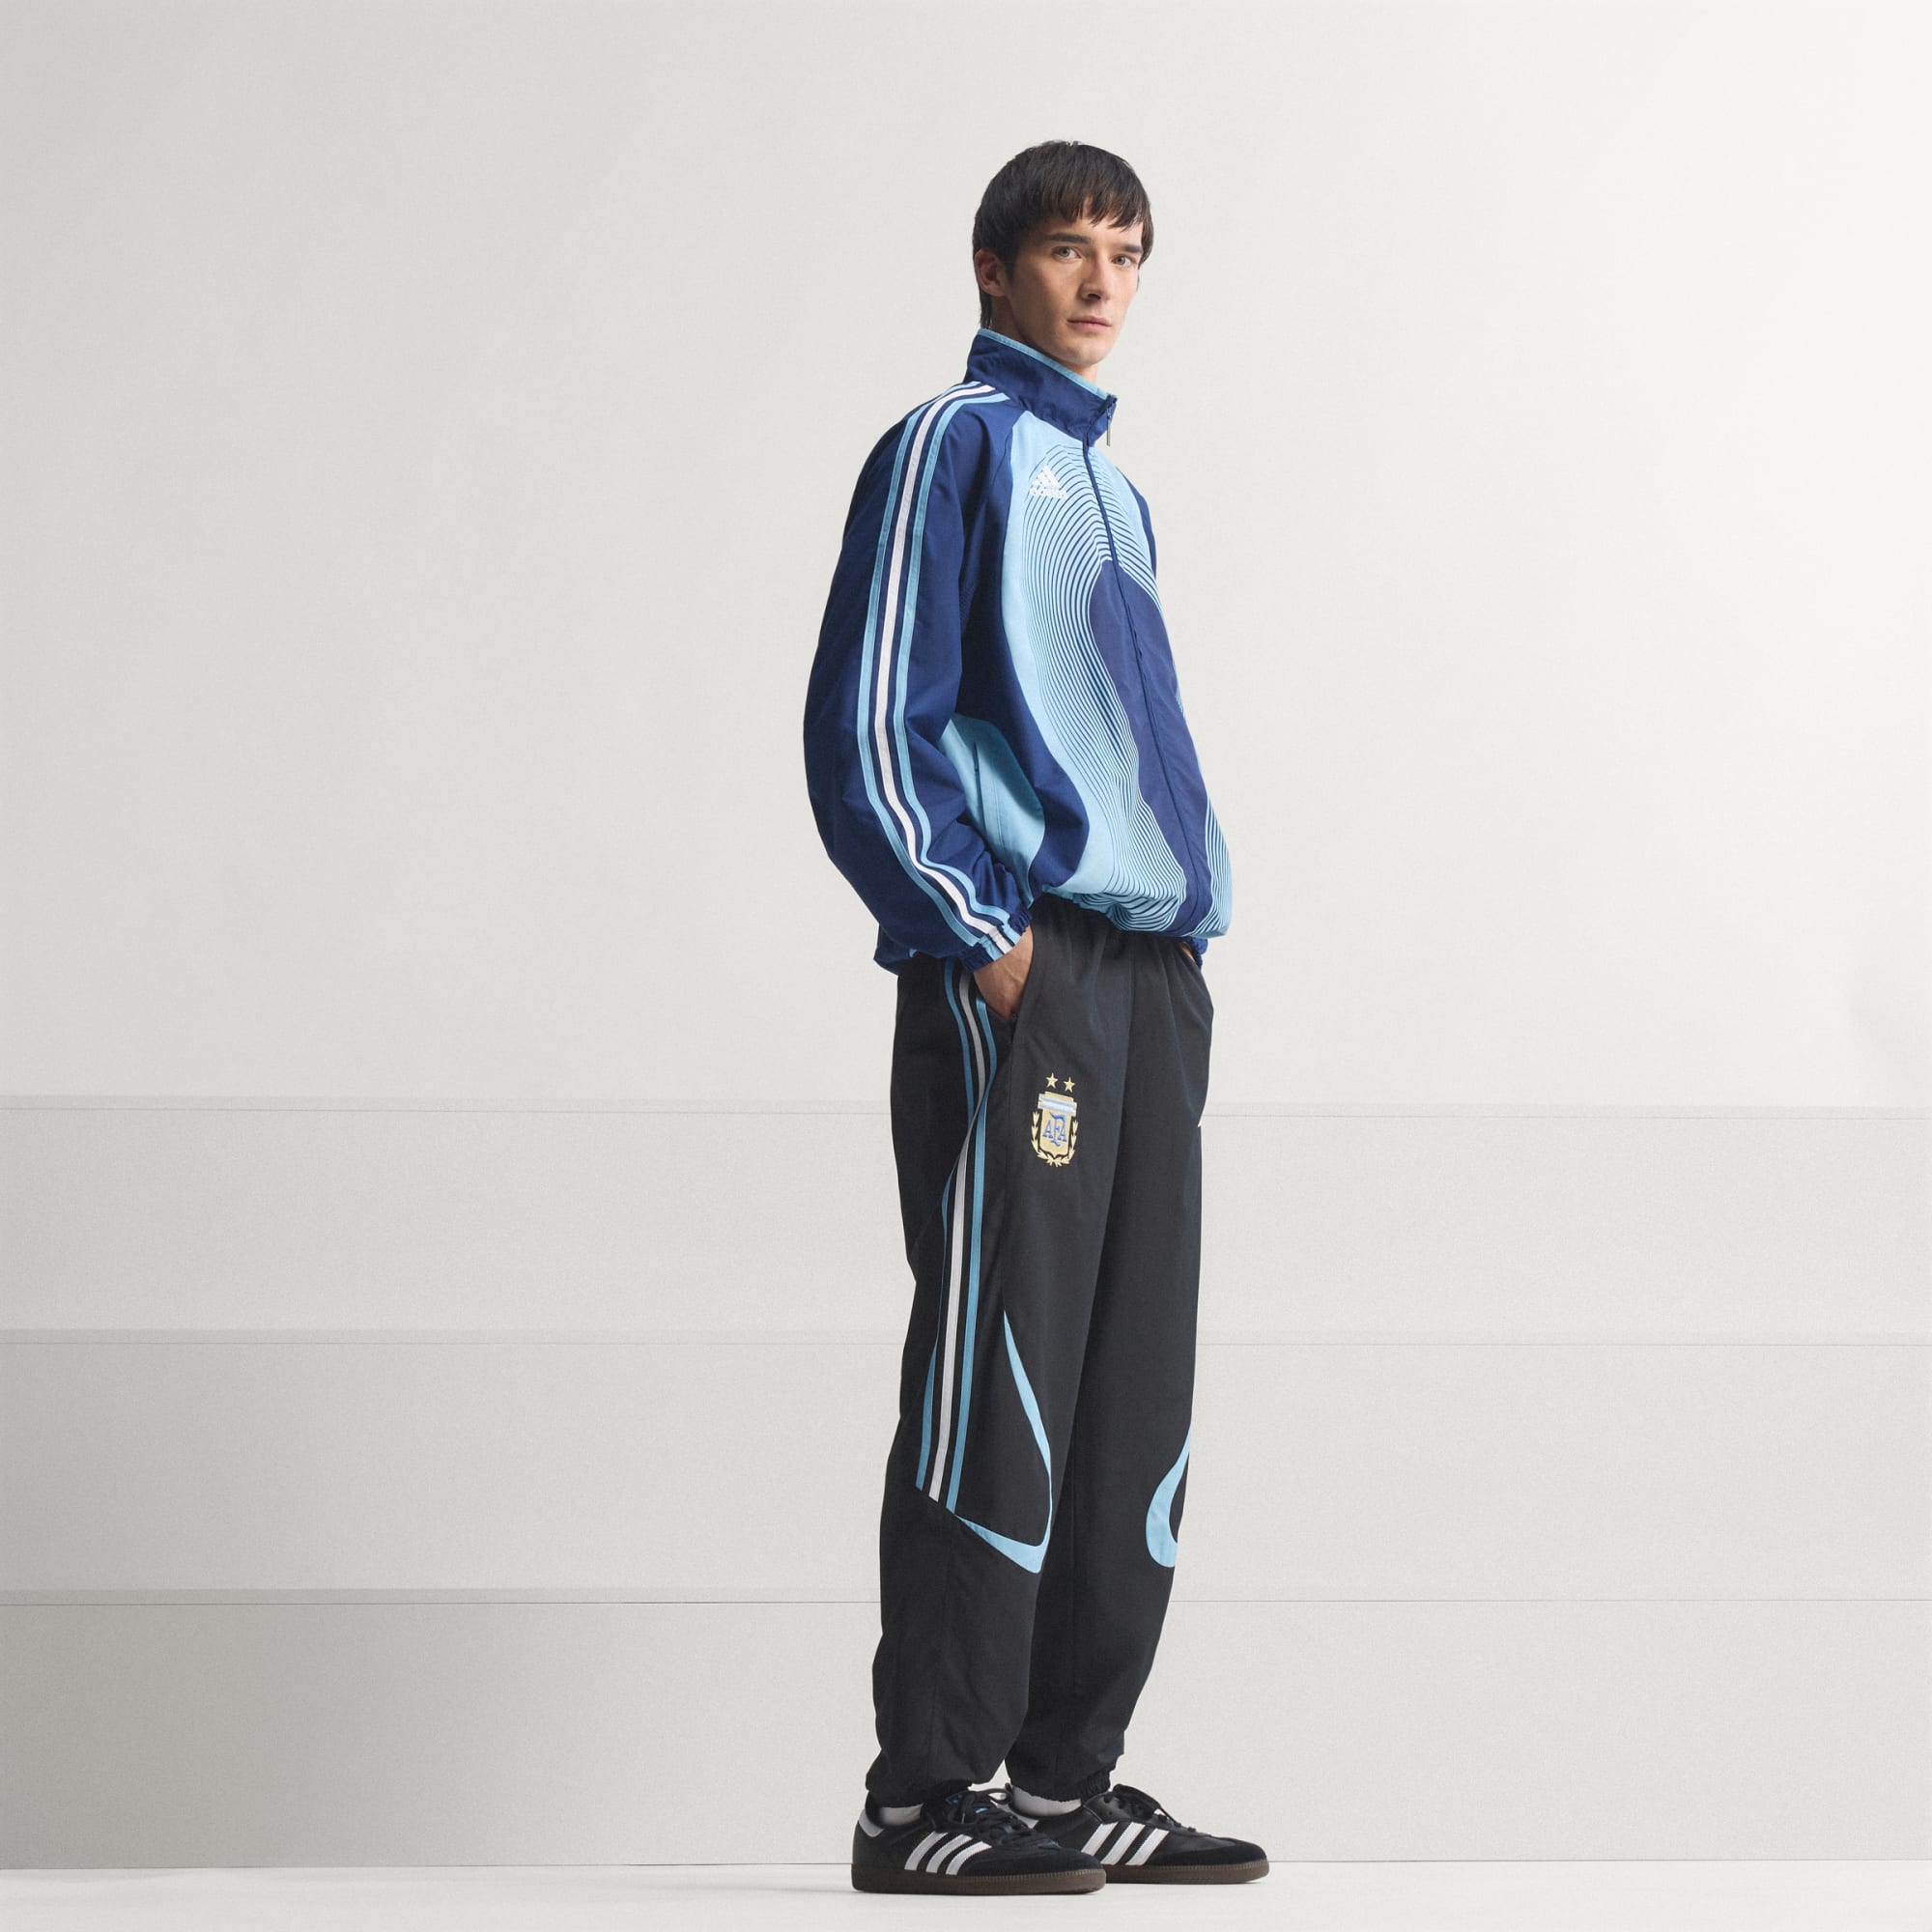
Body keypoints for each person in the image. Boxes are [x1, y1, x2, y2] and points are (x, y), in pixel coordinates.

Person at [802, 139, 1266, 1895]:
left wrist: (1182, 951)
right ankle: (924, 1793)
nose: (1099, 282)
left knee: (1133, 1387)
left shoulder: (1114, 492)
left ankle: (1069, 1782)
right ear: (994, 268)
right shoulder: (952, 444)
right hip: (1031, 977)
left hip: (1147, 986)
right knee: (997, 1374)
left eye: (1125, 254)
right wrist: (979, 936)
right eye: (1068, 249)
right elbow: (870, 718)